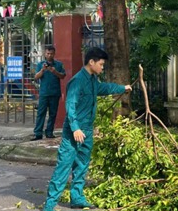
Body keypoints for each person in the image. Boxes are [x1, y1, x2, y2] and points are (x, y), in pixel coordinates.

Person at [43, 47, 132, 211]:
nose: (102, 67)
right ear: (91, 62)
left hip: (87, 131)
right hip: (73, 132)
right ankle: (49, 205)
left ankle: (77, 198)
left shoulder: (92, 80)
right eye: (101, 64)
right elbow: (70, 106)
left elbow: (103, 88)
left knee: (82, 165)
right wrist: (76, 128)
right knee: (64, 166)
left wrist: (122, 88)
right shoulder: (77, 81)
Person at [32, 46, 66, 140]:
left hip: (55, 93)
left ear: (54, 54)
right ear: (44, 53)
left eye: (51, 53)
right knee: (41, 113)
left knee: (53, 114)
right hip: (44, 93)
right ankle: (38, 133)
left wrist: (54, 72)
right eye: (48, 53)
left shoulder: (59, 65)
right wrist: (42, 70)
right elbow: (36, 77)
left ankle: (49, 132)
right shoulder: (40, 64)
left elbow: (63, 76)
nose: (49, 55)